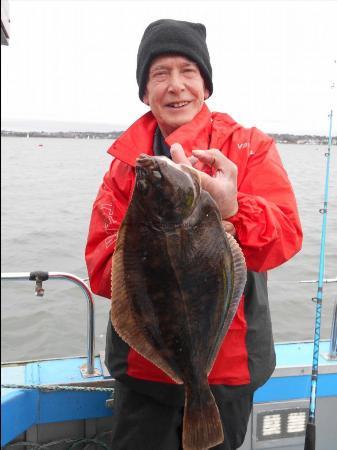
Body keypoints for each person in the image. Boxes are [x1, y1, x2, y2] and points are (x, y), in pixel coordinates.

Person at [85, 19, 303, 450]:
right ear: (145, 91)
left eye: (188, 71)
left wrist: (232, 209)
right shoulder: (126, 164)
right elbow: (99, 270)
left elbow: (285, 237)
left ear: (206, 84)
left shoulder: (247, 146)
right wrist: (152, 241)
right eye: (160, 74)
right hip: (145, 374)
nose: (176, 86)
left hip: (228, 372)